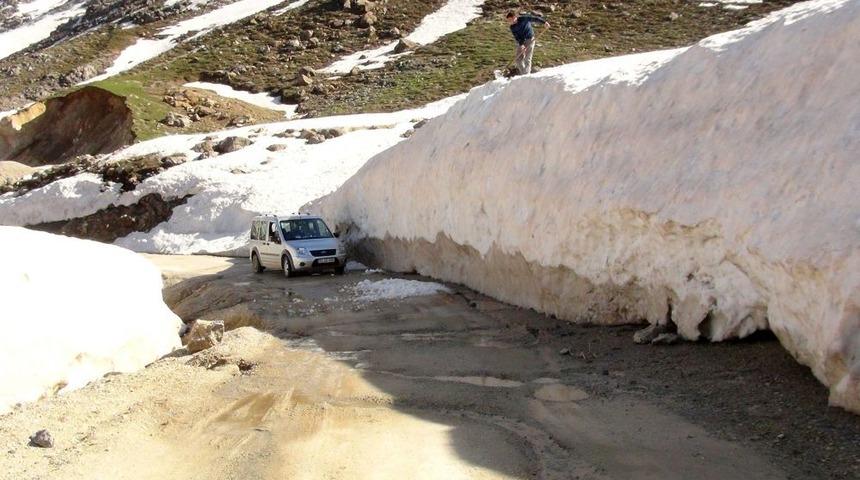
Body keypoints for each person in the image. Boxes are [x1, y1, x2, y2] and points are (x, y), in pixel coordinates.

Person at [506, 11, 549, 76]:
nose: (509, 22)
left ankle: (526, 75)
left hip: (530, 39)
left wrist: (544, 22)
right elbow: (517, 37)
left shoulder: (523, 19)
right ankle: (524, 75)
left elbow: (534, 18)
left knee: (527, 58)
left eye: (510, 20)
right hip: (522, 42)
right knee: (518, 59)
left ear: (514, 17)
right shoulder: (512, 27)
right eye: (508, 20)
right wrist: (522, 45)